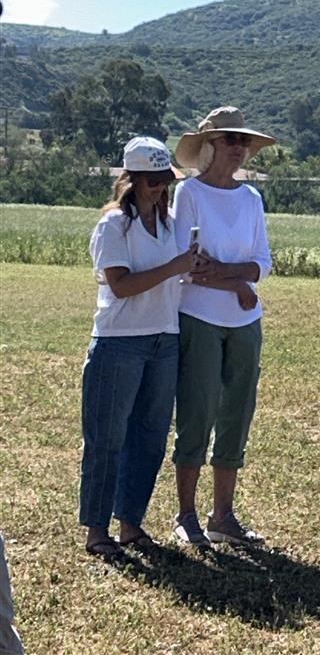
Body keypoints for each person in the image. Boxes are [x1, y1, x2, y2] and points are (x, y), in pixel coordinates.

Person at [80, 136, 198, 558]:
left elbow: (172, 278)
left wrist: (189, 269)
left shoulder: (165, 224)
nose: (160, 189)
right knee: (106, 439)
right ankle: (96, 530)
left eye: (165, 181)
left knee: (149, 437)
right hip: (119, 343)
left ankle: (131, 523)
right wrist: (175, 266)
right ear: (132, 180)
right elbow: (121, 284)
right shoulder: (113, 225)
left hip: (163, 338)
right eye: (152, 182)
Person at [171, 106, 276, 547]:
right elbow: (186, 263)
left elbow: (263, 264)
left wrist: (234, 280)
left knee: (237, 414)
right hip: (199, 317)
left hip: (244, 322)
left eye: (244, 141)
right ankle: (186, 515)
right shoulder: (189, 194)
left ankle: (223, 516)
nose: (240, 148)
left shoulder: (251, 199)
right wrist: (239, 282)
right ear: (210, 146)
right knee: (196, 411)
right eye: (231, 139)